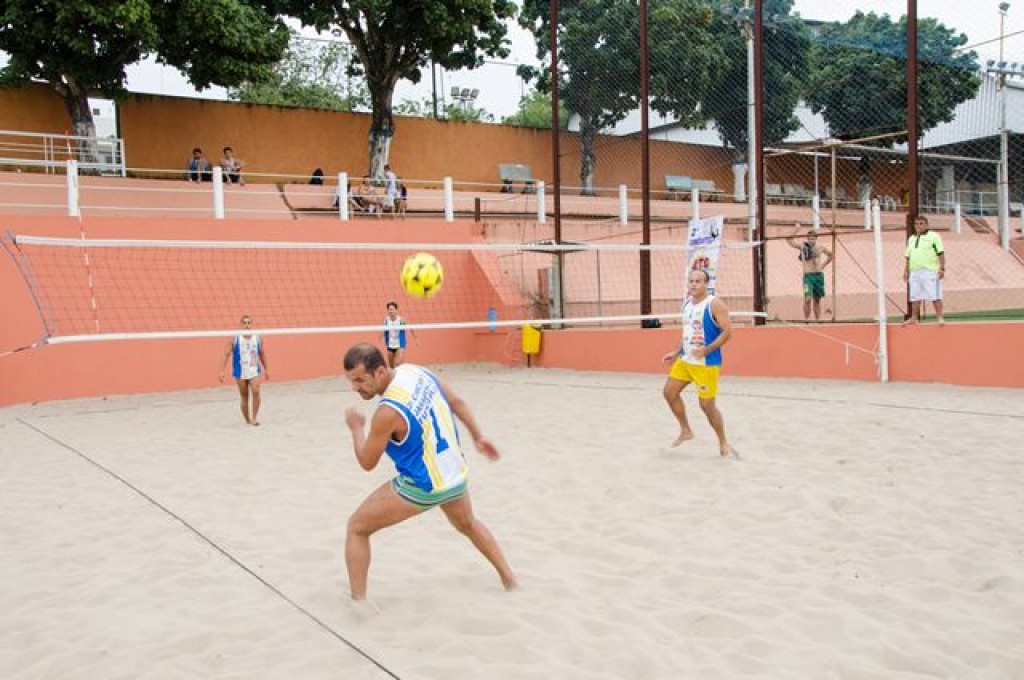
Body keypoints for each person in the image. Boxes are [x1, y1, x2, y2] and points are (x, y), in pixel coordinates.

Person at [341, 342, 517, 601]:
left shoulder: (387, 412)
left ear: (379, 371)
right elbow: (457, 402)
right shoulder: (416, 372)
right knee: (468, 524)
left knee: (356, 527)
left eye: (359, 380)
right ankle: (510, 580)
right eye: (351, 381)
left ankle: (358, 602)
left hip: (423, 486)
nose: (355, 388)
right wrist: (478, 437)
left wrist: (356, 428)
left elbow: (367, 462)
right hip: (454, 474)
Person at [661, 269, 734, 457]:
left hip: (706, 363)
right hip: (686, 360)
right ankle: (686, 430)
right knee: (669, 392)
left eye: (698, 281)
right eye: (691, 281)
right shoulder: (687, 303)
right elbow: (688, 334)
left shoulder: (715, 304)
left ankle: (723, 441)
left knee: (707, 406)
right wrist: (676, 352)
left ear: (706, 284)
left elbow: (727, 333)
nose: (693, 284)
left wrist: (706, 350)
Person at [218, 314, 269, 425]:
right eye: (244, 323)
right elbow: (226, 355)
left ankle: (254, 418)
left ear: (252, 324)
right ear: (241, 325)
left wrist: (267, 369)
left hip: (254, 369)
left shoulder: (258, 338)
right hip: (239, 371)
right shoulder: (234, 338)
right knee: (244, 396)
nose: (247, 325)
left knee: (256, 392)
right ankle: (247, 419)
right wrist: (221, 371)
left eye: (249, 323)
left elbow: (262, 354)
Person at [903, 215, 946, 325]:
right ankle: (913, 318)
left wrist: (942, 268)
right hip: (914, 271)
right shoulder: (912, 239)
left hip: (930, 270)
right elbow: (908, 256)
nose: (918, 226)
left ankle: (940, 317)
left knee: (935, 294)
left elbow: (940, 253)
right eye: (916, 224)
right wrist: (906, 271)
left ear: (927, 225)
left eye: (921, 223)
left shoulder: (934, 236)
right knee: (914, 295)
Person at [785, 225, 833, 322]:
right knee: (807, 299)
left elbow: (831, 255)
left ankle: (817, 320)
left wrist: (823, 265)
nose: (812, 241)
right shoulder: (803, 247)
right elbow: (789, 240)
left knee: (817, 299)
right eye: (810, 239)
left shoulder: (820, 247)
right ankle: (806, 319)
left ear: (816, 239)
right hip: (808, 276)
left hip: (818, 275)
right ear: (807, 239)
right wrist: (796, 229)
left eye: (813, 239)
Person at [383, 301, 415, 367]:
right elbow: (385, 329)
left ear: (396, 310)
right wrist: (381, 335)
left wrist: (415, 337)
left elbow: (410, 327)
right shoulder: (386, 320)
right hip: (390, 344)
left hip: (400, 344)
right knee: (391, 366)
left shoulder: (401, 320)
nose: (390, 311)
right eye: (389, 309)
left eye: (392, 309)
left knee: (397, 365)